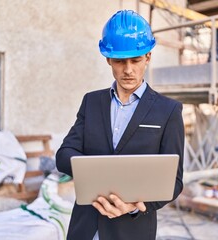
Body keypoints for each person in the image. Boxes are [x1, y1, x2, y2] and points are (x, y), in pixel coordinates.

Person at [56, 9, 184, 240]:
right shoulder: (91, 102)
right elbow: (64, 155)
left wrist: (134, 205)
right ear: (108, 59)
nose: (128, 70)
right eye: (119, 61)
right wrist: (97, 173)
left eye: (135, 60)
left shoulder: (168, 111)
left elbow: (174, 182)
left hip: (132, 231)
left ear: (148, 57)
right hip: (85, 227)